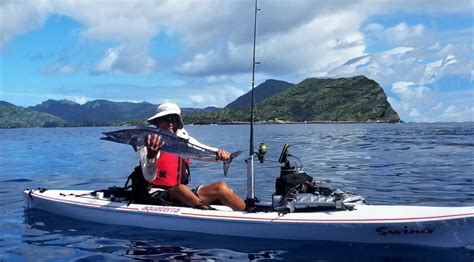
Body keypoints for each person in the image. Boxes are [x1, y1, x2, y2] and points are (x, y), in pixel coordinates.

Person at [136, 102, 246, 211]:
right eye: (166, 118)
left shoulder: (183, 139)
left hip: (184, 194)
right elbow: (149, 177)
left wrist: (220, 154)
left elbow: (202, 149)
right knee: (181, 189)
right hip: (156, 194)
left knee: (221, 187)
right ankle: (209, 213)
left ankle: (247, 212)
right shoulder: (146, 141)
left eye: (174, 119)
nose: (171, 123)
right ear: (157, 121)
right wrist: (151, 156)